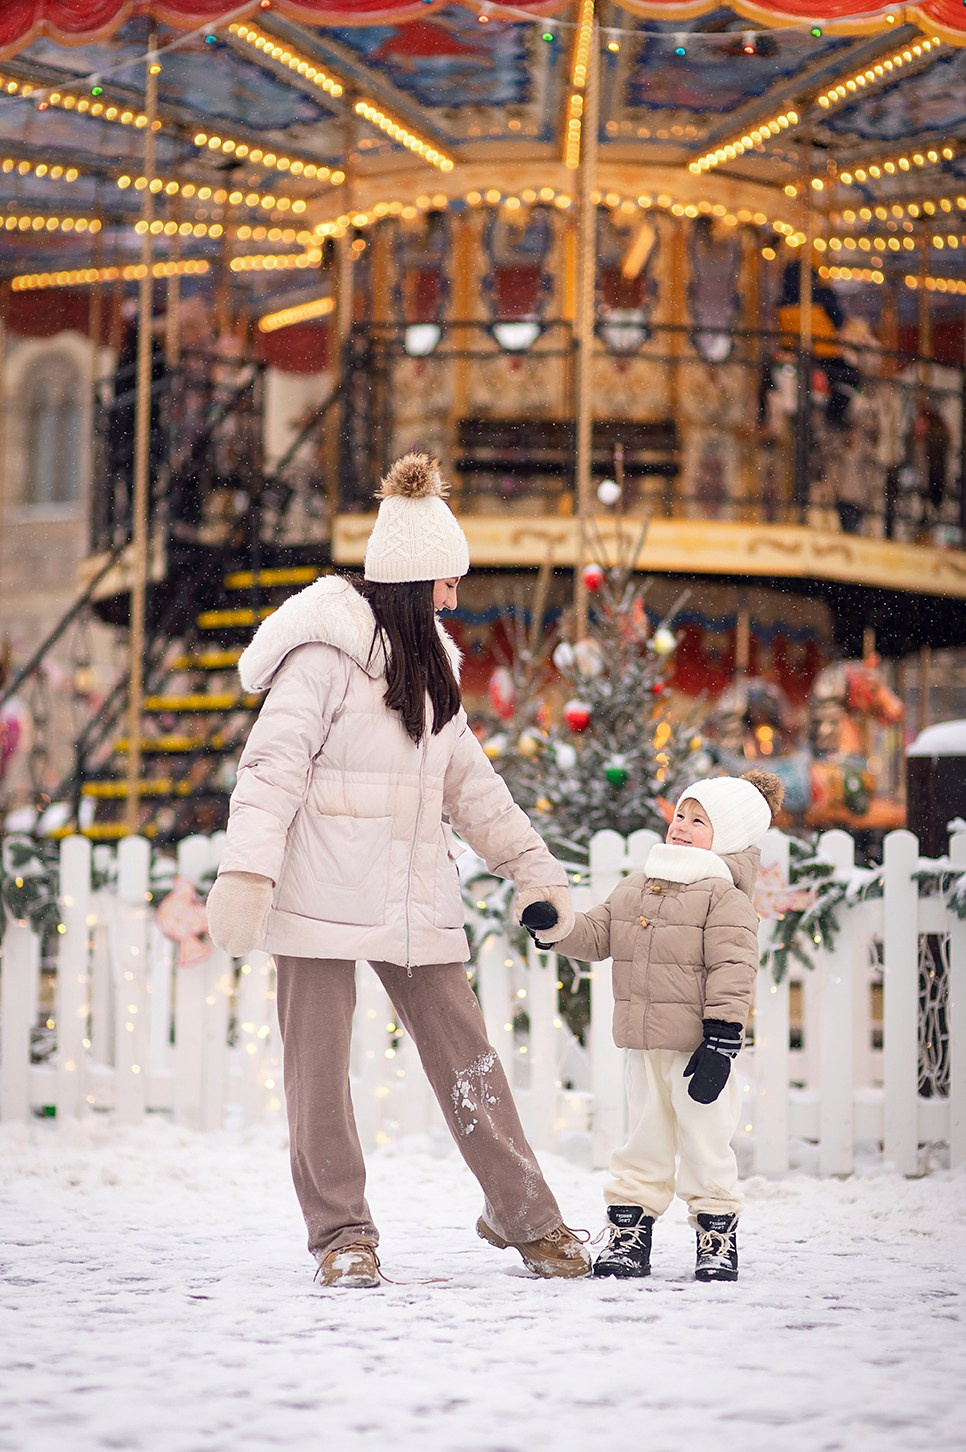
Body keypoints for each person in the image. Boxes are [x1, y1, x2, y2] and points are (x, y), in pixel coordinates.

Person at [206, 452, 589, 1288]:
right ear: (414, 586)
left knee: (467, 1056)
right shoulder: (320, 659)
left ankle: (527, 1217)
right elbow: (270, 770)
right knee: (318, 1073)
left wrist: (535, 870)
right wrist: (246, 874)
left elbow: (476, 789)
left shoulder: (432, 671)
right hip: (314, 893)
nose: (455, 598)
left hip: (412, 895)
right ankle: (344, 1237)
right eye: (445, 584)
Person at [530, 769, 783, 1283]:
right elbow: (598, 934)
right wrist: (554, 925)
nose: (682, 826)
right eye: (681, 815)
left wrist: (723, 1038)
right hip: (644, 1047)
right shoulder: (637, 887)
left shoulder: (723, 897)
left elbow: (734, 970)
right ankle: (629, 1234)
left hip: (701, 1049)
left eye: (699, 821)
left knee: (707, 1143)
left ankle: (716, 1235)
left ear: (729, 835)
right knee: (641, 1143)